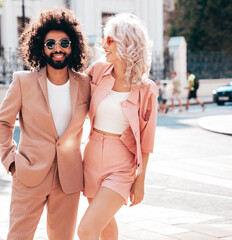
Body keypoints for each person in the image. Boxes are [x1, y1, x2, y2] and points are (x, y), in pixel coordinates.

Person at [0, 8, 90, 240]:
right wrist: (11, 161)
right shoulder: (22, 82)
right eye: (51, 43)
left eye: (64, 42)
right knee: (18, 236)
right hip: (28, 173)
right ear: (40, 47)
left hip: (68, 178)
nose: (58, 48)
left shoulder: (85, 84)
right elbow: (3, 122)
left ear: (73, 46)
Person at [77, 13, 158, 240]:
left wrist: (140, 180)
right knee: (105, 226)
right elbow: (72, 88)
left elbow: (147, 138)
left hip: (122, 164)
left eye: (110, 40)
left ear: (127, 43)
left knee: (86, 229)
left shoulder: (146, 89)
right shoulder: (98, 70)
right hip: (91, 156)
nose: (103, 45)